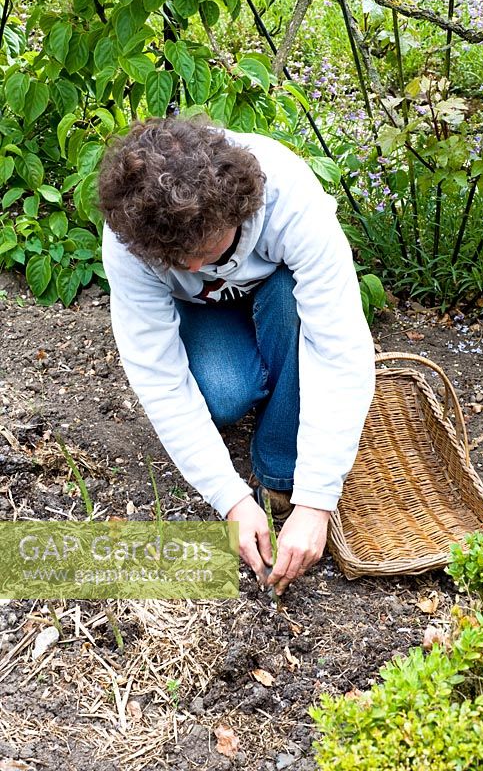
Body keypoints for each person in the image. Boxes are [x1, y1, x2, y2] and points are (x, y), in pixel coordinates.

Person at [99, 117, 375, 594]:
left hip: (278, 293)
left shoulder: (289, 194)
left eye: (205, 251)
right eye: (175, 260)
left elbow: (339, 347)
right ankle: (264, 374)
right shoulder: (132, 238)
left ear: (237, 212)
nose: (190, 267)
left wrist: (316, 500)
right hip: (207, 314)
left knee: (291, 304)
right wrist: (231, 500)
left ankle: (277, 465)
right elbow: (160, 378)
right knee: (225, 396)